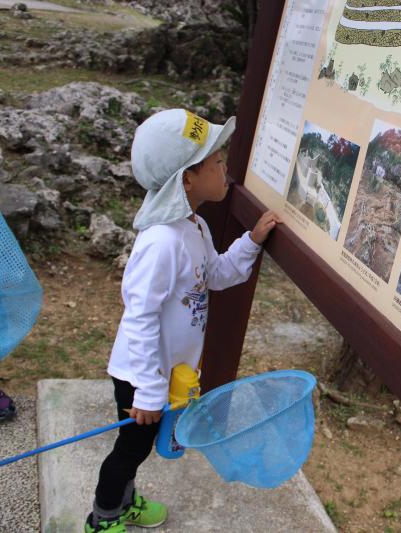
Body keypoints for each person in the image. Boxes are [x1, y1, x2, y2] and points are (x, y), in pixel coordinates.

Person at [85, 109, 281, 533]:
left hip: (168, 373)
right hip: (142, 376)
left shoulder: (194, 227)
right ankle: (103, 516)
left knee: (139, 448)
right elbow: (139, 319)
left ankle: (123, 500)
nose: (225, 166)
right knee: (130, 449)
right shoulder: (160, 242)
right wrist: (148, 390)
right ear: (186, 180)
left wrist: (251, 241)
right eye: (215, 161)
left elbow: (215, 274)